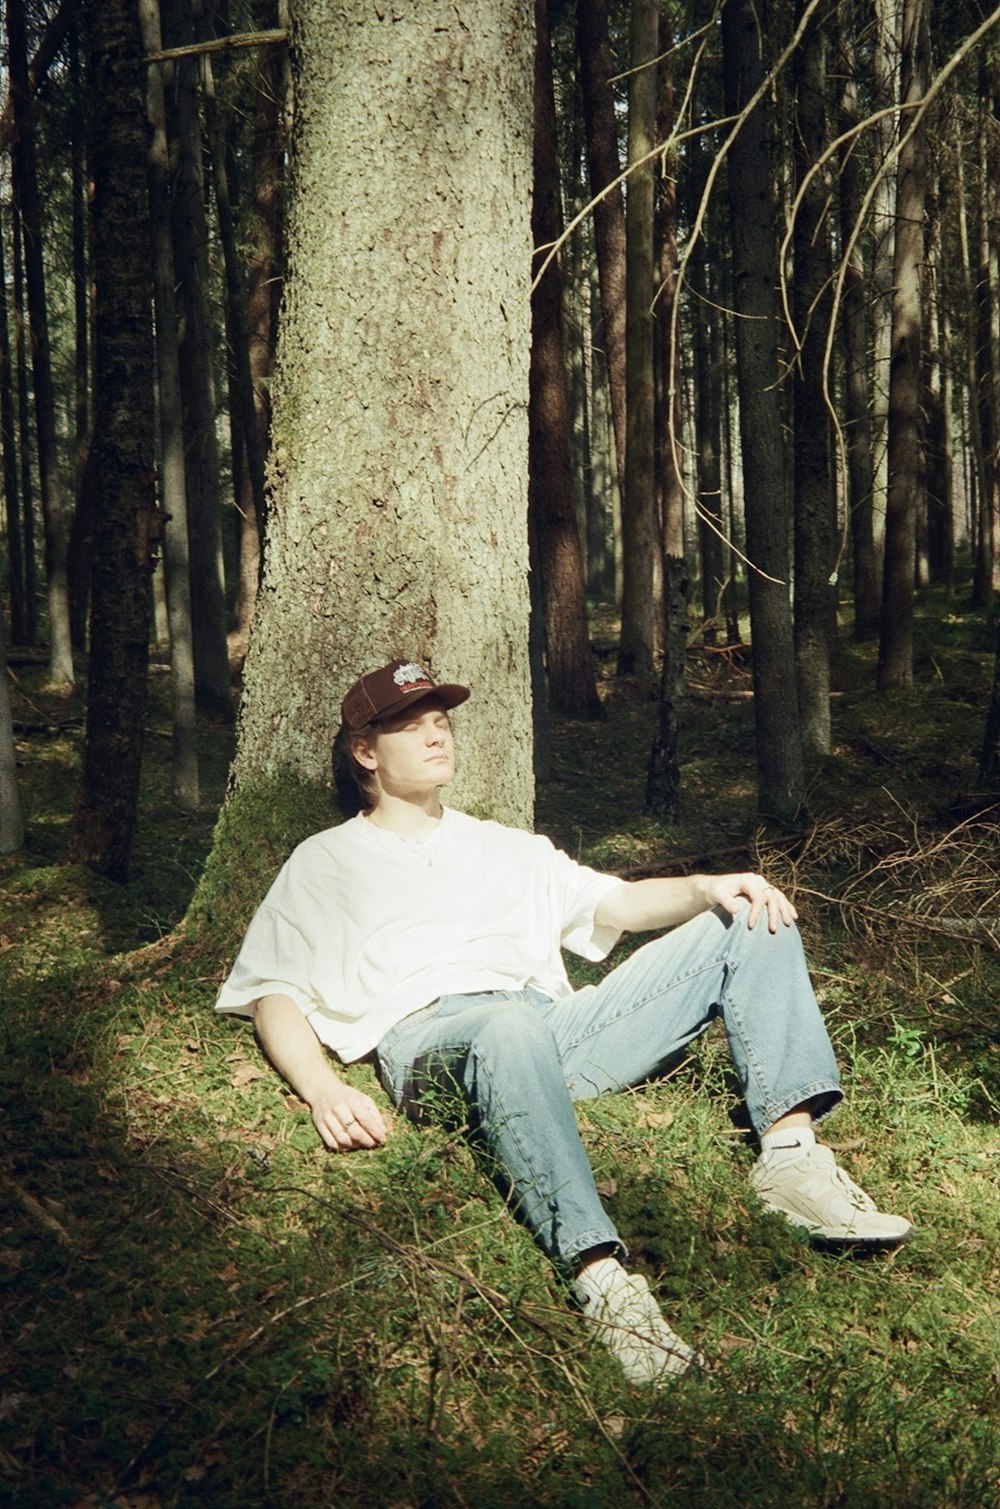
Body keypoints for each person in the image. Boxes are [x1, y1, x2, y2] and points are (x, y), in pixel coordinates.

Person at [216, 658, 913, 1387]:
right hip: (434, 1038)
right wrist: (324, 1089)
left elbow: (618, 904)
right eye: (410, 726)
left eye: (440, 722)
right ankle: (605, 1282)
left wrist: (712, 885)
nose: (435, 737)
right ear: (365, 750)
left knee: (750, 917)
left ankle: (792, 1157)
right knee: (504, 1028)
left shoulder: (504, 845)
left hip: (552, 1027)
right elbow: (274, 991)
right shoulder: (324, 861)